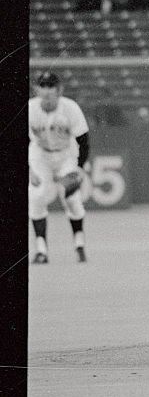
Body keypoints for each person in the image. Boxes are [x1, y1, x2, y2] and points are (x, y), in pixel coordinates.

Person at [28, 71, 91, 264]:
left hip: (66, 155)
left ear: (59, 90)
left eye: (51, 86)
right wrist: (29, 169)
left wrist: (79, 169)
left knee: (72, 199)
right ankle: (41, 249)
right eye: (43, 86)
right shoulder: (30, 109)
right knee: (37, 196)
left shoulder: (70, 108)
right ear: (36, 89)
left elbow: (84, 141)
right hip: (41, 154)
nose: (47, 91)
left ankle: (79, 244)